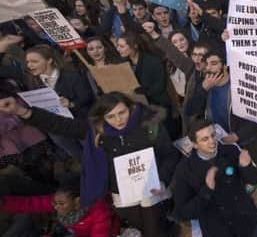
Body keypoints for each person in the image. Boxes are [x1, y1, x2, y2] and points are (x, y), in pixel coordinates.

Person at [0, 92, 179, 237]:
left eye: (122, 113)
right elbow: (60, 125)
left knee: (155, 230)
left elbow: (170, 156)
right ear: (102, 117)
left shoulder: (149, 126)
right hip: (123, 196)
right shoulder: (97, 132)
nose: (118, 120)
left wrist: (160, 179)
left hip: (153, 191)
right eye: (111, 116)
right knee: (139, 229)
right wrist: (21, 111)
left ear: (130, 108)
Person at [184, 49, 257, 194]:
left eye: (214, 63)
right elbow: (189, 110)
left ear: (225, 66)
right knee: (240, 163)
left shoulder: (242, 83)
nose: (209, 68)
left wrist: (238, 135)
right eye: (206, 65)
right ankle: (252, 181)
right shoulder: (205, 86)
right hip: (222, 138)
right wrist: (203, 89)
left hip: (247, 136)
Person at [173, 119, 257, 237]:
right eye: (205, 139)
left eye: (213, 135)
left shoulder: (230, 151)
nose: (212, 142)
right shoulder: (184, 171)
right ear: (194, 144)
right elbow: (184, 213)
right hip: (218, 229)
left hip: (246, 220)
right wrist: (206, 191)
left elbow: (254, 181)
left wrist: (246, 167)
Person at [0, 173, 120, 236]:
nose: (56, 207)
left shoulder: (99, 212)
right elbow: (30, 204)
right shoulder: (60, 199)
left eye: (61, 204)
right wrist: (3, 203)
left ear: (77, 201)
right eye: (55, 203)